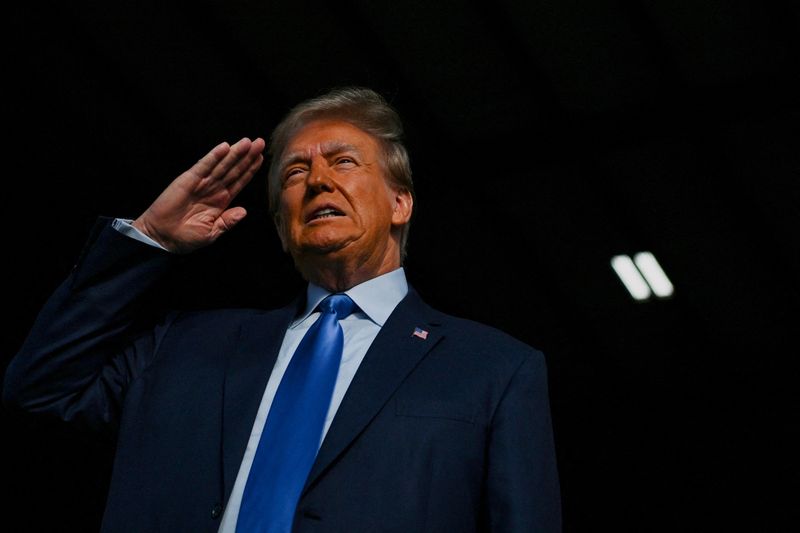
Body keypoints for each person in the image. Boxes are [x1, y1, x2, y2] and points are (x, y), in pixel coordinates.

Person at [3, 87, 561, 532]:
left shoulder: (494, 369)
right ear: (280, 226)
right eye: (295, 173)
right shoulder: (183, 346)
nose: (317, 179)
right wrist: (149, 238)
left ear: (400, 202)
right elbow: (43, 389)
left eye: (343, 162)